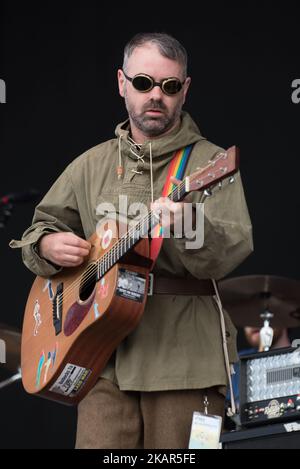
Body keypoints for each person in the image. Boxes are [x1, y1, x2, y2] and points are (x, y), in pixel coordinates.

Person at [10, 32, 253, 449]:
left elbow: (230, 247)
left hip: (183, 361)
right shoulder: (91, 165)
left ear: (185, 90)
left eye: (169, 86)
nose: (156, 95)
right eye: (144, 83)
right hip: (100, 357)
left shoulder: (209, 163)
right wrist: (48, 246)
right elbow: (39, 228)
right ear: (122, 83)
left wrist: (187, 223)